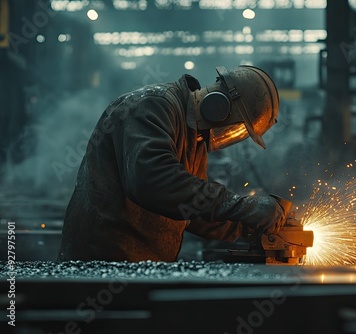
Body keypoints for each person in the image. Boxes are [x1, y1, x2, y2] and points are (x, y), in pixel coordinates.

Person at [58, 65, 290, 262]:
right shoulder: (152, 106)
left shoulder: (194, 137)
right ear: (219, 105)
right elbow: (153, 181)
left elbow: (192, 210)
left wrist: (253, 226)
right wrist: (243, 206)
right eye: (238, 127)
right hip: (101, 263)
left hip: (141, 269)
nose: (232, 135)